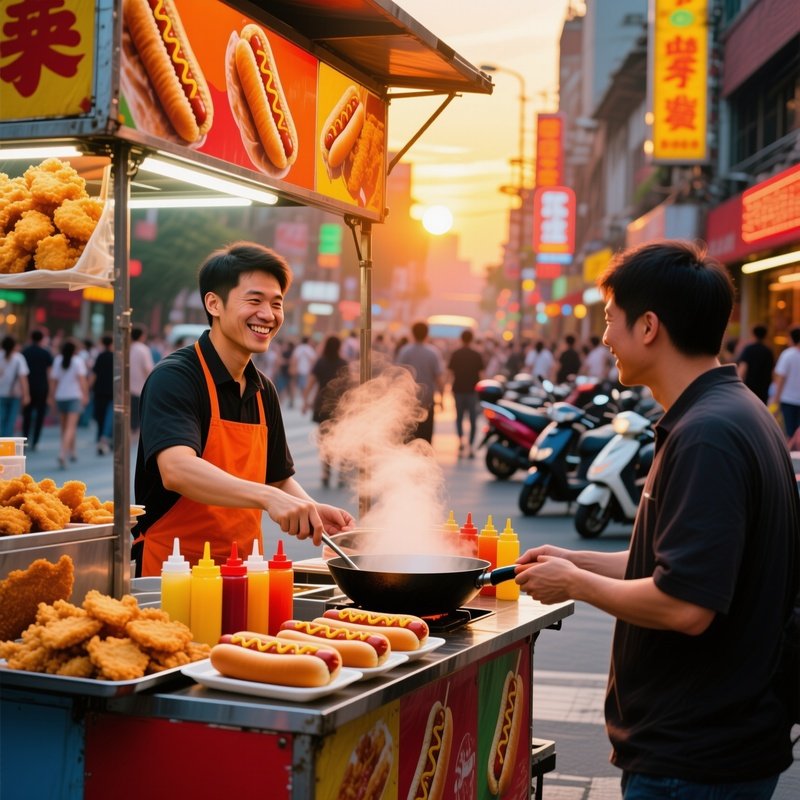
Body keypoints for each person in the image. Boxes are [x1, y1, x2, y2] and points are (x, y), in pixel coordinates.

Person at [514, 241, 799, 798]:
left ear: (648, 326)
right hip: (714, 745)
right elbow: (675, 564)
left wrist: (575, 584)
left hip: (694, 758)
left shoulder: (708, 436)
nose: (604, 339)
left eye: (609, 321)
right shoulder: (731, 412)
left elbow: (686, 605)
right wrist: (574, 558)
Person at [131, 242, 354, 577]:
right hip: (174, 572)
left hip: (246, 572)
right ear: (214, 304)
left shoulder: (263, 389)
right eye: (254, 300)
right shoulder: (176, 377)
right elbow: (177, 469)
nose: (268, 314)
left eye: (276, 303)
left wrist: (310, 509)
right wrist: (268, 498)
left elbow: (276, 479)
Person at [302, 335, 348, 487]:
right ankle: (341, 473)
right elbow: (350, 386)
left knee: (324, 440)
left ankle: (326, 472)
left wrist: (305, 401)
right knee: (341, 439)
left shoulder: (320, 362)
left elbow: (311, 382)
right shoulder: (343, 363)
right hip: (340, 406)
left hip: (322, 405)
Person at [396, 321, 445, 444]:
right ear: (427, 334)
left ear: (412, 333)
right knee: (426, 436)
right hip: (427, 401)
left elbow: (398, 375)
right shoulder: (433, 352)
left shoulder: (405, 351)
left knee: (409, 435)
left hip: (408, 401)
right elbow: (439, 377)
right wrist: (442, 398)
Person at [50, 338, 89, 469]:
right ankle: (62, 454)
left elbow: (54, 381)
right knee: (71, 427)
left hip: (60, 396)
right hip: (74, 396)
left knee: (64, 428)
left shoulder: (57, 360)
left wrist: (51, 397)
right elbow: (82, 381)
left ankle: (72, 451)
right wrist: (85, 395)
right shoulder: (78, 361)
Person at [447, 329, 484, 458]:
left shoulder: (456, 353)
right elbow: (481, 374)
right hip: (472, 390)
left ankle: (461, 441)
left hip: (458, 389)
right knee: (473, 419)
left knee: (459, 417)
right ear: (472, 339)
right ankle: (471, 444)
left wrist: (447, 388)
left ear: (461, 339)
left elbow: (450, 373)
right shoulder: (476, 354)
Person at [21, 329, 53, 451]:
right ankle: (36, 441)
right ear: (41, 339)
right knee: (40, 415)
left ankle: (24, 440)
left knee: (27, 415)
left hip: (28, 387)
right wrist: (50, 392)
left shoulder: (25, 352)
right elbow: (49, 373)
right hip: (42, 387)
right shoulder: (46, 353)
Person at [773, 325, 800, 439]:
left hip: (788, 399)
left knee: (789, 432)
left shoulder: (787, 354)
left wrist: (775, 399)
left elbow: (781, 379)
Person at [736, 324, 774, 404]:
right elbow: (772, 371)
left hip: (749, 388)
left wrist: (736, 385)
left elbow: (743, 368)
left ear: (753, 334)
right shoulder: (768, 351)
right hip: (764, 389)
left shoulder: (749, 349)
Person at [0, 335, 30, 438]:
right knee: (11, 421)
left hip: (1, 393)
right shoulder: (18, 358)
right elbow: (23, 378)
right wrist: (26, 395)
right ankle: (6, 444)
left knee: (1, 419)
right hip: (15, 393)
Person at [91, 334, 114, 455]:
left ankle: (100, 438)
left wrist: (90, 387)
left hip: (99, 390)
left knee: (100, 416)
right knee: (109, 417)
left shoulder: (100, 356)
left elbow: (94, 373)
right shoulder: (116, 357)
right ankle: (104, 439)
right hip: (112, 391)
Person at [129, 326, 153, 436]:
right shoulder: (143, 349)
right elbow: (147, 369)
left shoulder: (127, 348)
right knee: (137, 417)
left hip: (127, 388)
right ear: (142, 336)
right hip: (140, 388)